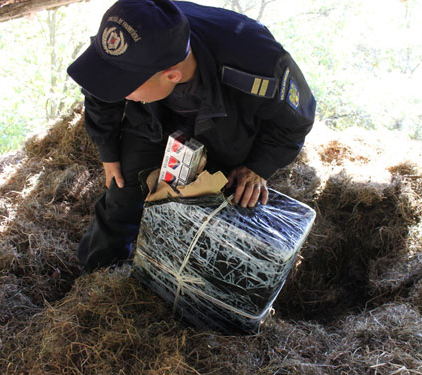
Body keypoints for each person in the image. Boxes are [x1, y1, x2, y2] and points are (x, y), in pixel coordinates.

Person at [67, 0, 316, 273]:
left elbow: (295, 122)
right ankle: (96, 274)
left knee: (206, 215)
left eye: (125, 87)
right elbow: (100, 85)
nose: (120, 95)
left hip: (225, 128)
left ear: (171, 75)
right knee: (122, 195)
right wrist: (108, 150)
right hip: (153, 118)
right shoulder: (138, 24)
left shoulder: (260, 66)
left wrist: (259, 167)